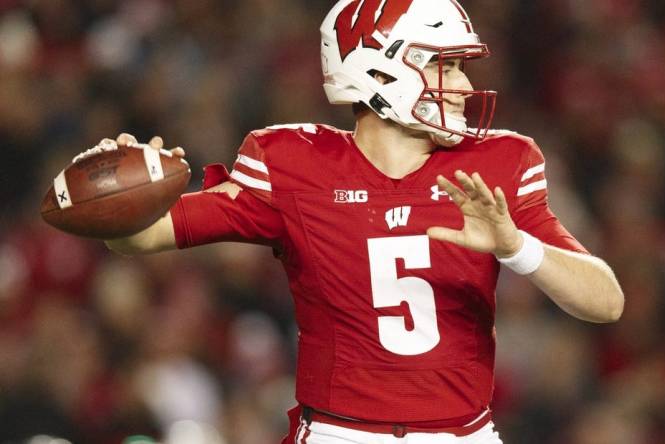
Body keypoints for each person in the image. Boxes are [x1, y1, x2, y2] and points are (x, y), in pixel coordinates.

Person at [101, 0, 624, 442]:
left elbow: (605, 302)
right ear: (379, 71)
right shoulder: (293, 162)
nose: (464, 86)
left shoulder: (499, 165)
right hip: (338, 433)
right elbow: (141, 238)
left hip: (463, 433)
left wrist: (516, 247)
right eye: (447, 66)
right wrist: (120, 197)